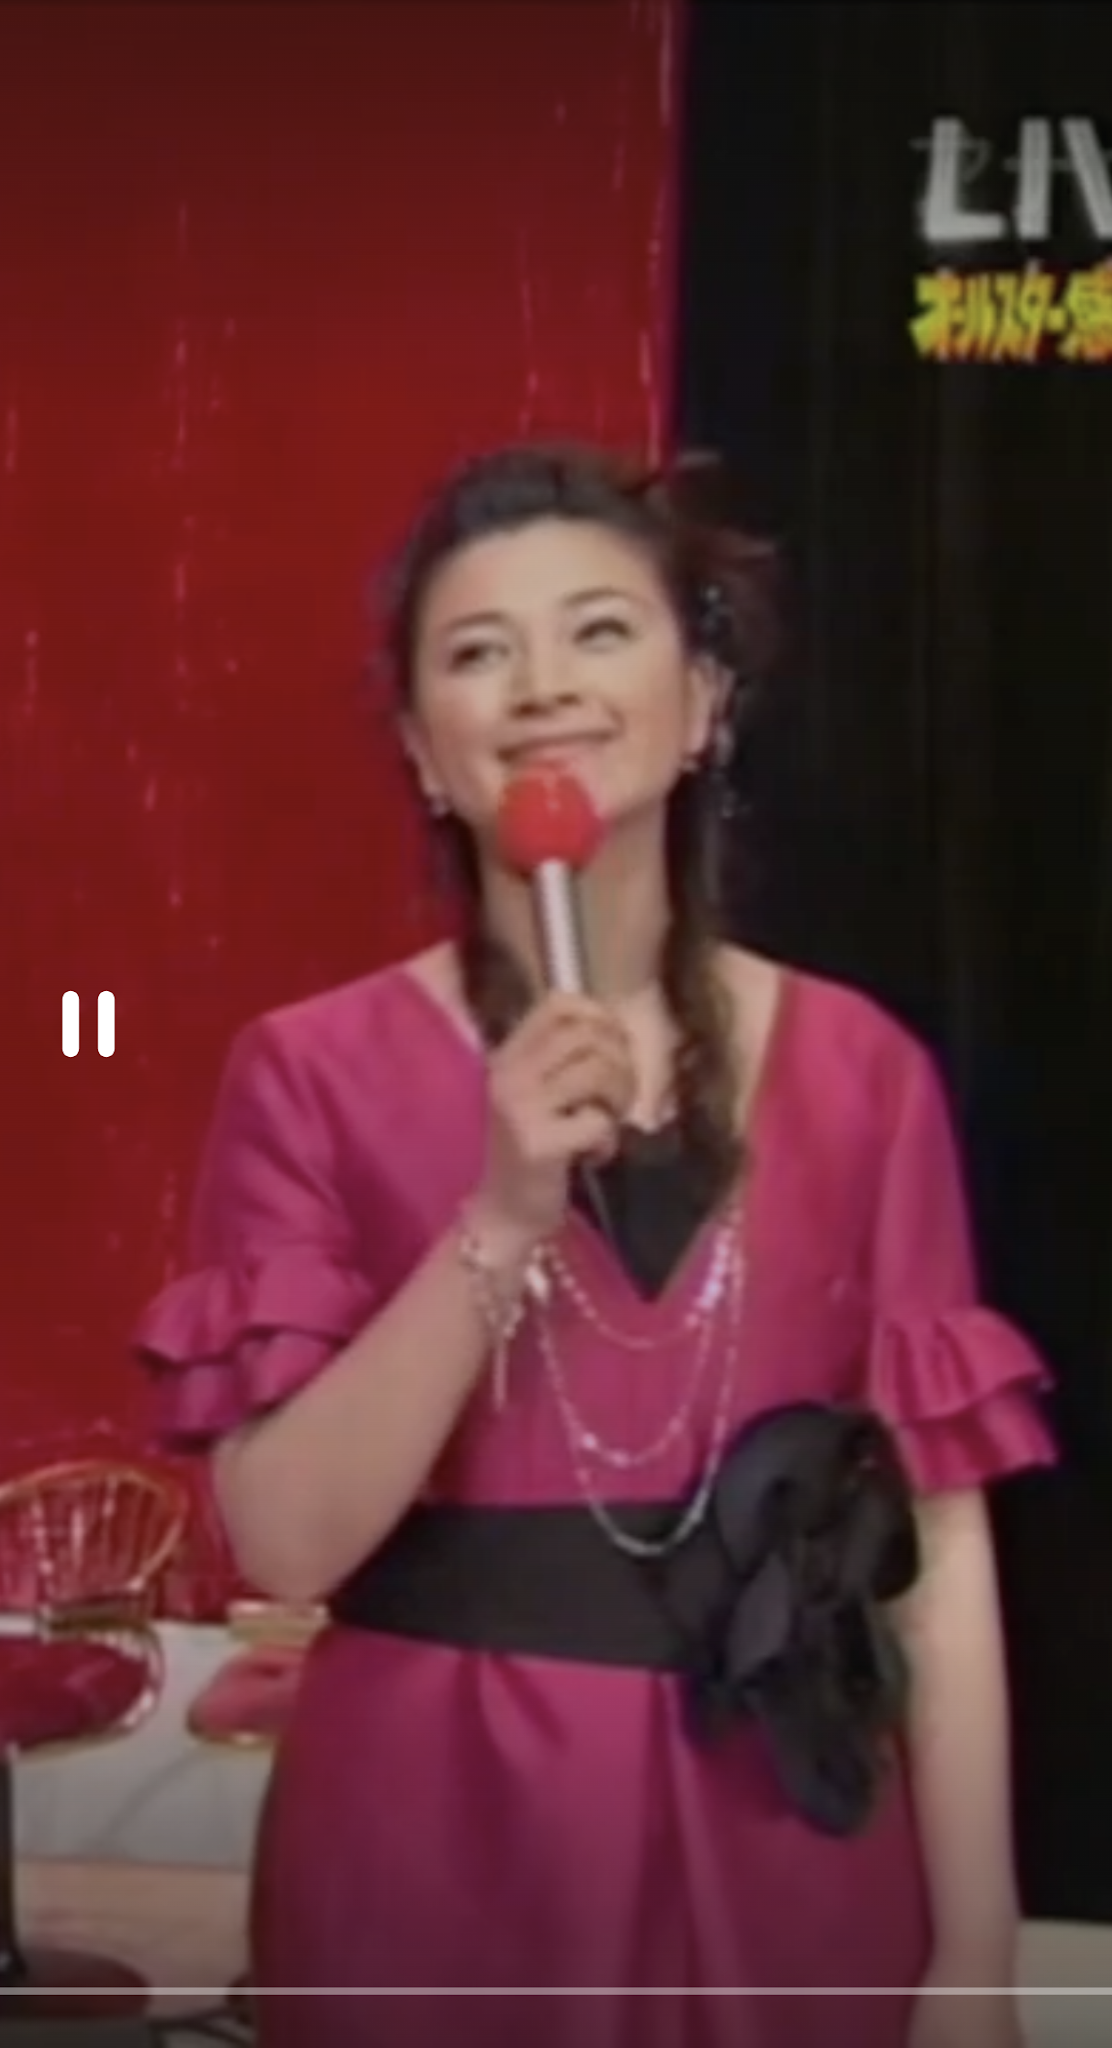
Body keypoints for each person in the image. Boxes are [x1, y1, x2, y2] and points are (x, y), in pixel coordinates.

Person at [134, 444, 1051, 2048]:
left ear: (704, 706)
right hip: (438, 1836)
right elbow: (282, 1540)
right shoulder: (307, 1070)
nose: (543, 686)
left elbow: (940, 1554)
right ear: (425, 753)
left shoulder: (866, 1074)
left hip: (790, 1832)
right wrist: (499, 1218)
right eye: (480, 652)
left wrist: (977, 1952)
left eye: (600, 631)